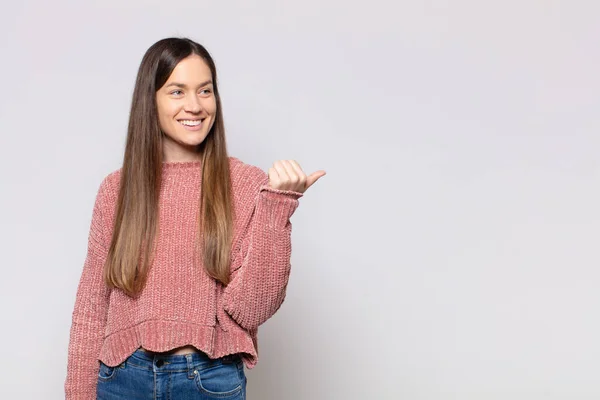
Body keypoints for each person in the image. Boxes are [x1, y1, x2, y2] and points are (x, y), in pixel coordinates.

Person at [64, 37, 325, 399]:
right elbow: (91, 310)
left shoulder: (246, 184)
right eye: (177, 91)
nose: (195, 105)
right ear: (150, 100)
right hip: (122, 380)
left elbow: (252, 309)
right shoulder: (116, 189)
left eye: (205, 90)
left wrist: (278, 206)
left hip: (208, 380)